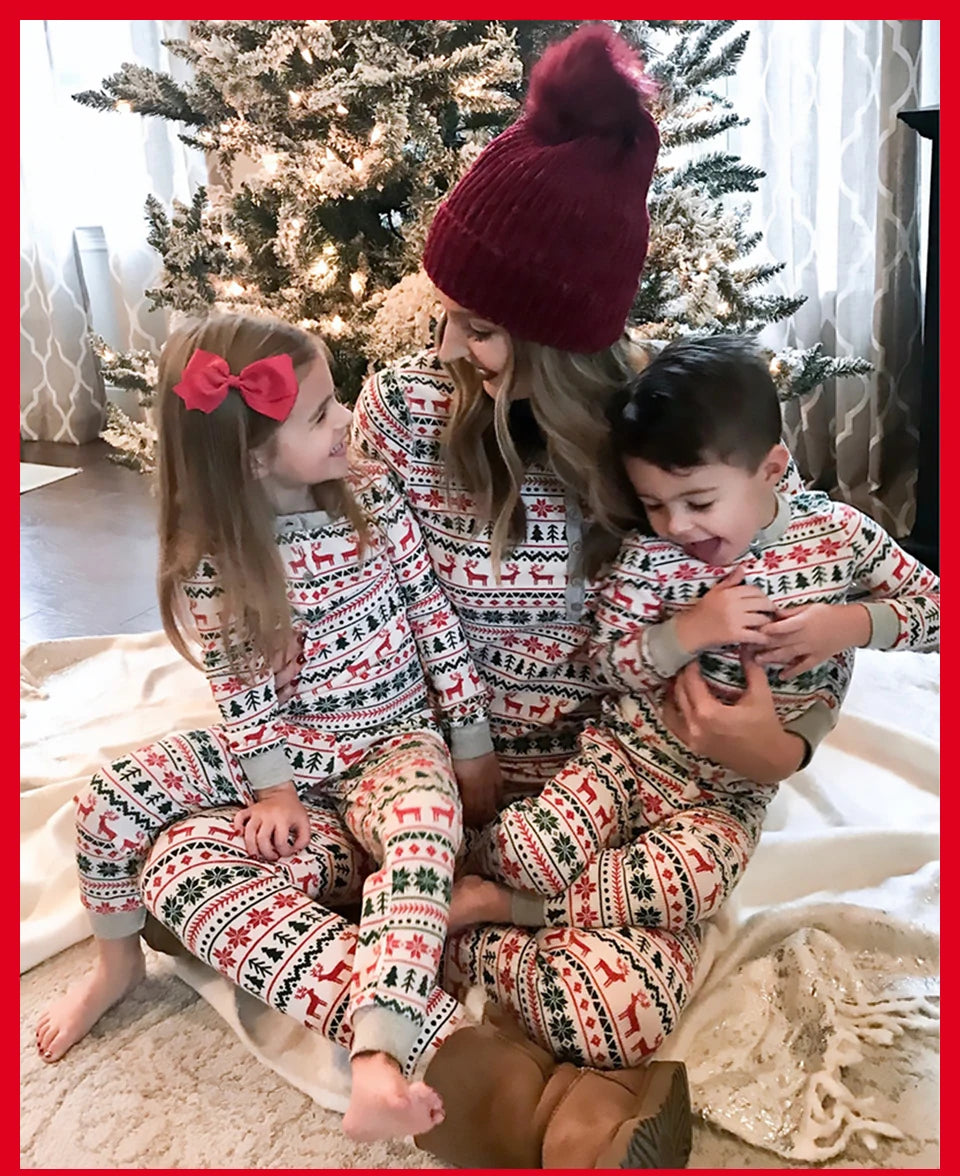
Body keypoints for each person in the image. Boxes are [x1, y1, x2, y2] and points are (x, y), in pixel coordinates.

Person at [131, 24, 806, 1169]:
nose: (445, 343)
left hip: (582, 807)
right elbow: (298, 554)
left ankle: (431, 982)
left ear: (563, 341)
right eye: (448, 312)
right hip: (404, 775)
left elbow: (793, 558)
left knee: (619, 1002)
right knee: (179, 863)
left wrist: (778, 740)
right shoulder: (399, 410)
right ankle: (473, 1062)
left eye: (481, 328)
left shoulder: (666, 446)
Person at [36, 312, 502, 1142]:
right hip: (289, 753)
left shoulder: (371, 494)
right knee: (109, 798)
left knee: (427, 830)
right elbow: (241, 690)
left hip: (395, 743)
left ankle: (381, 1049)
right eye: (321, 414)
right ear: (253, 459)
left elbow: (435, 622)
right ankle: (118, 964)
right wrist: (275, 790)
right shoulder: (217, 558)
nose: (347, 419)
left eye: (336, 401)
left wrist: (469, 744)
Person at [449, 334, 941, 926]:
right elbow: (606, 663)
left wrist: (854, 622)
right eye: (655, 504)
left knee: (692, 887)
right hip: (626, 759)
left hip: (729, 796)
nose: (677, 526)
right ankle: (475, 873)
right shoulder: (651, 555)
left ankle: (509, 908)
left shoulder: (838, 534)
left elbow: (937, 609)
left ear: (771, 470)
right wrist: (686, 632)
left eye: (700, 502)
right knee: (526, 852)